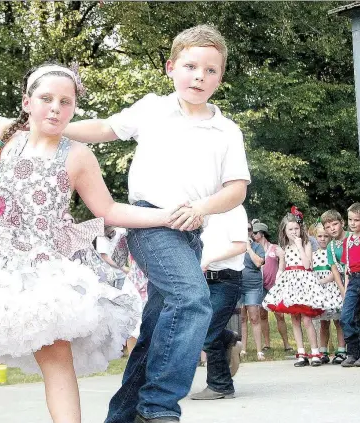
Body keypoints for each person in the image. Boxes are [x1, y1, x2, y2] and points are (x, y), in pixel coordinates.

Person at [0, 63, 189, 423]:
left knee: (55, 356)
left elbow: (108, 209)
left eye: (66, 101)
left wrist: (167, 215)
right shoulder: (9, 137)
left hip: (44, 263)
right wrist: (0, 132)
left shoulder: (78, 155)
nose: (56, 108)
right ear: (27, 102)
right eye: (46, 99)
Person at [63, 25, 250, 423]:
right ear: (170, 68)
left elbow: (236, 190)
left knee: (157, 332)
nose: (199, 76)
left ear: (220, 77)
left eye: (211, 70)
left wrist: (202, 207)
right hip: (149, 223)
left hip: (190, 232)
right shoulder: (152, 108)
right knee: (192, 300)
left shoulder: (227, 131)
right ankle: (159, 408)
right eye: (190, 66)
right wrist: (51, 126)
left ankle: (123, 416)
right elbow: (103, 129)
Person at [189, 206, 247, 401]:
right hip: (206, 280)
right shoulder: (206, 209)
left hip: (227, 280)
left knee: (208, 333)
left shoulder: (234, 209)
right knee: (203, 328)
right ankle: (229, 338)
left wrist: (209, 260)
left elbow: (241, 246)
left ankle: (220, 385)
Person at [263, 208, 329, 367]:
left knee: (307, 319)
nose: (294, 232)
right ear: (284, 231)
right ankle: (301, 352)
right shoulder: (284, 248)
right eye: (290, 229)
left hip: (304, 282)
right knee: (295, 319)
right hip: (290, 283)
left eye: (296, 229)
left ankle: (315, 352)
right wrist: (279, 274)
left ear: (300, 229)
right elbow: (282, 267)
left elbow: (307, 264)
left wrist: (299, 245)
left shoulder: (306, 243)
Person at [339, 203, 360, 367]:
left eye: (356, 220)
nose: (352, 223)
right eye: (350, 219)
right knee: (346, 317)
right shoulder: (347, 241)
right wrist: (346, 289)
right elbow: (346, 267)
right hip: (353, 280)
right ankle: (353, 352)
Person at [253, 222, 292, 353]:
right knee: (262, 315)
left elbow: (283, 260)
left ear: (262, 233)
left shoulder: (274, 248)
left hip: (274, 285)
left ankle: (287, 344)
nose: (252, 235)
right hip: (260, 285)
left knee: (279, 315)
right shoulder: (254, 249)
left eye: (255, 232)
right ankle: (267, 344)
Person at [311, 222, 344, 364]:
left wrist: (323, 281)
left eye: (325, 236)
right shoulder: (313, 255)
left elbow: (335, 271)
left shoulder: (332, 252)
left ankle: (342, 349)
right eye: (320, 236)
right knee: (323, 322)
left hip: (333, 288)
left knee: (338, 321)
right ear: (315, 237)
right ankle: (323, 349)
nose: (323, 239)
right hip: (320, 292)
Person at [321, 209, 350, 364]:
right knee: (347, 317)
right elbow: (334, 269)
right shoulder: (331, 245)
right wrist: (342, 290)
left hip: (356, 277)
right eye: (327, 226)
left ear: (342, 223)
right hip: (344, 283)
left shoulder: (351, 238)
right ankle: (350, 348)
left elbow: (349, 264)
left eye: (334, 224)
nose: (332, 228)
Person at [239, 222, 265, 360]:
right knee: (241, 319)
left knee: (254, 317)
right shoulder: (235, 247)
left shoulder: (257, 246)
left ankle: (259, 351)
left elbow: (258, 263)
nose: (246, 232)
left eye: (249, 229)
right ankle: (242, 349)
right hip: (237, 286)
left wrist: (248, 248)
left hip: (253, 286)